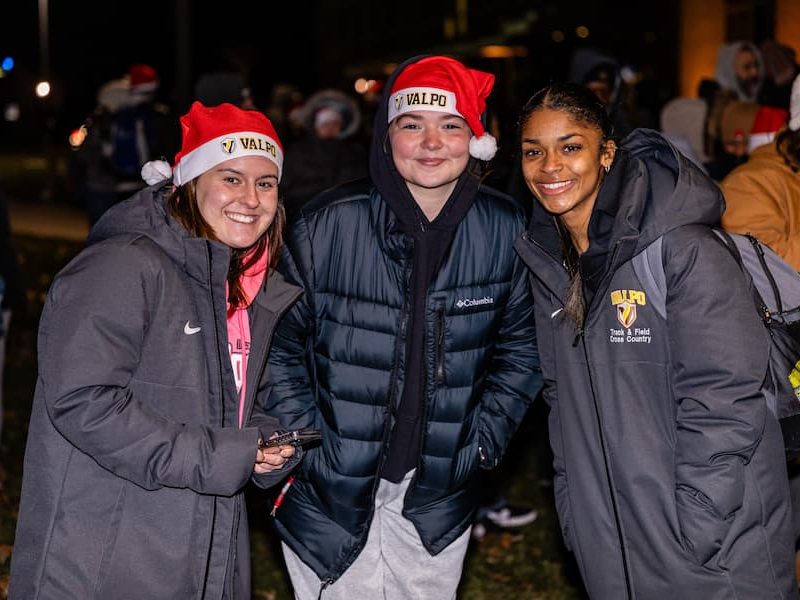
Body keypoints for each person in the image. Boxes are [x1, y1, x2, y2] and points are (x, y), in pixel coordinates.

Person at [263, 55, 541, 599]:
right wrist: (306, 445)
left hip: (437, 489)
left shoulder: (504, 226)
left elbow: (522, 347)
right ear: (385, 135)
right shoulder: (326, 223)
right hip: (332, 486)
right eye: (411, 125)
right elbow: (278, 341)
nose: (431, 143)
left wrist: (481, 443)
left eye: (451, 126)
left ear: (476, 138)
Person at [514, 82, 796, 598]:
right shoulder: (550, 266)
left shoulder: (683, 249)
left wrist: (695, 524)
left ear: (607, 153)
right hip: (611, 546)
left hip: (715, 549)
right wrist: (575, 506)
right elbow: (560, 399)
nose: (550, 166)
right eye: (534, 151)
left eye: (570, 147)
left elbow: (727, 399)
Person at [9, 101, 302, 600]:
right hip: (107, 557)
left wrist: (266, 442)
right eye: (230, 178)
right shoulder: (123, 265)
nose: (250, 199)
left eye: (265, 182)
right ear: (188, 182)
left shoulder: (243, 288)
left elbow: (231, 404)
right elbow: (84, 402)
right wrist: (222, 456)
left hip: (204, 541)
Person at [280, 89, 367, 221]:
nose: (331, 127)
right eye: (326, 123)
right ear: (316, 125)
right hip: (302, 220)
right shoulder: (297, 152)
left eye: (335, 123)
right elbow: (285, 191)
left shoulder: (354, 154)